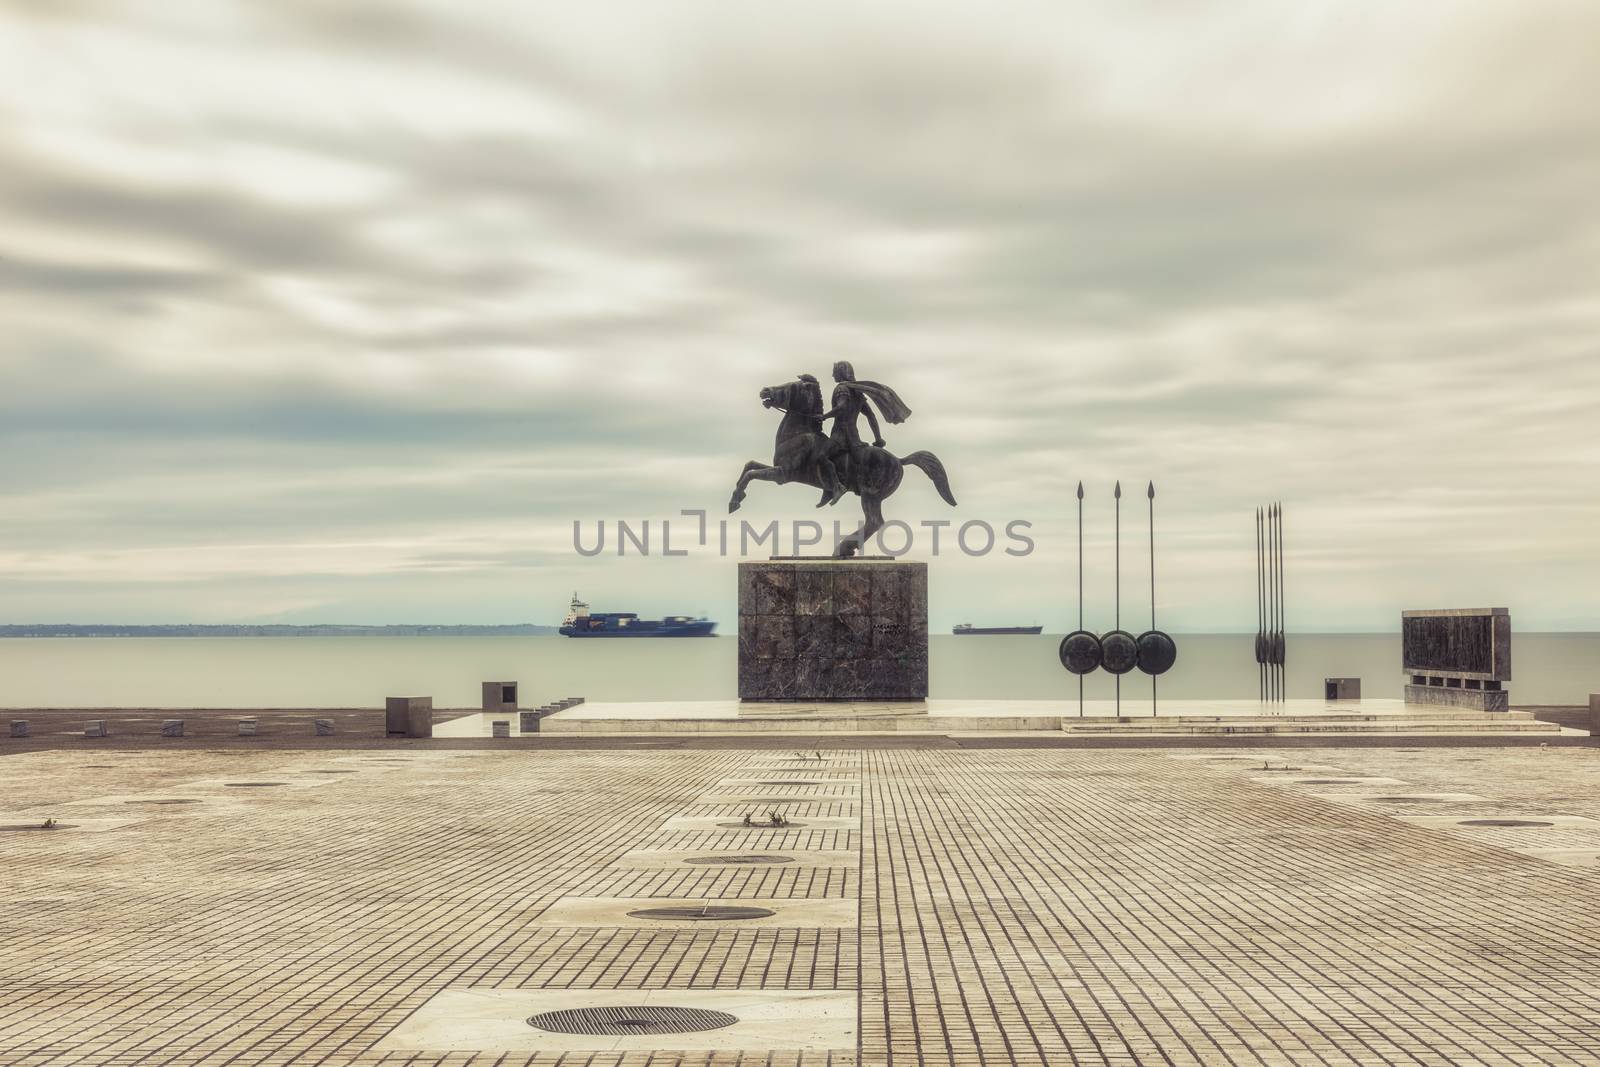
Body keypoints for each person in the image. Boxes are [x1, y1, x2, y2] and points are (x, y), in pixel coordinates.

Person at [817, 361, 912, 505]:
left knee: (821, 456)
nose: (832, 374)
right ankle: (829, 490)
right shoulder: (857, 393)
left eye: (835, 371)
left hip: (840, 435)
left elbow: (842, 407)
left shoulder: (842, 388)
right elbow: (871, 416)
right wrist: (878, 438)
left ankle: (836, 487)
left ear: (841, 372)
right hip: (855, 438)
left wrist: (825, 416)